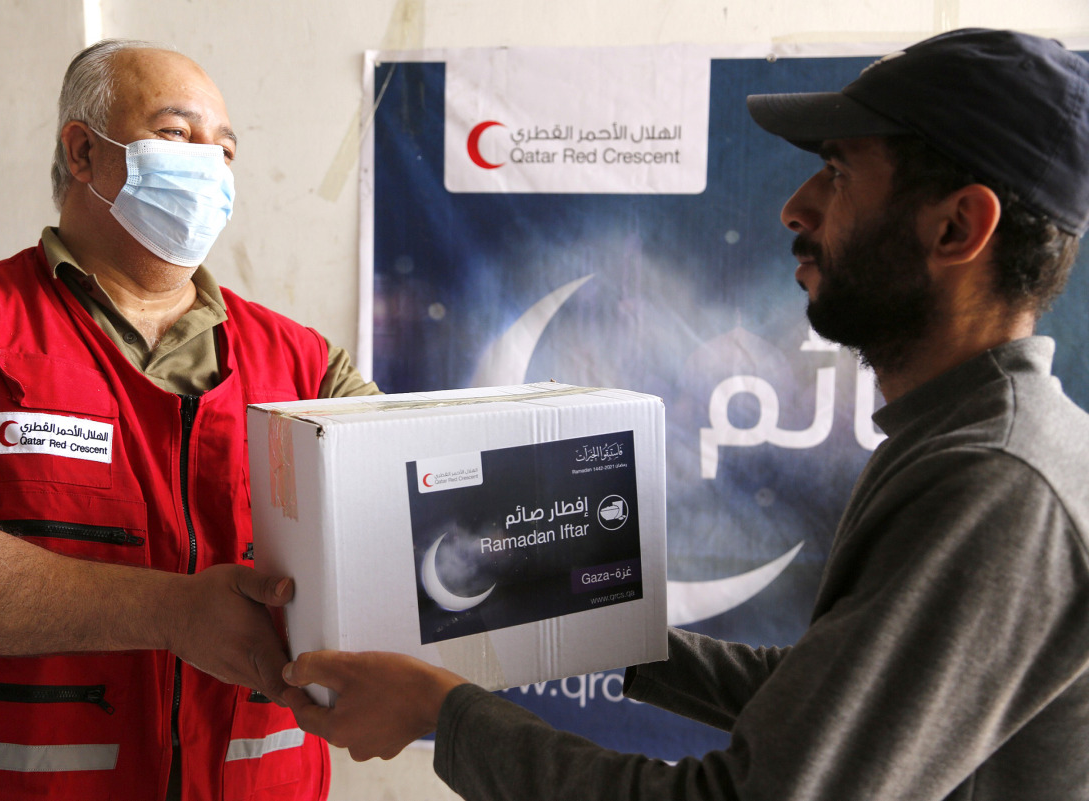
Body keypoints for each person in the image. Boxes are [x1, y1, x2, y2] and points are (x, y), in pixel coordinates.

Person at [279, 28, 1089, 800]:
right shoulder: (972, 444)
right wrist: (568, 622)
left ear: (957, 226)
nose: (796, 209)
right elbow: (822, 709)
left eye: (838, 174)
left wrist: (440, 712)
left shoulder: (995, 483)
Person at [0, 39, 378, 800]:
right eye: (177, 136)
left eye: (226, 150)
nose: (210, 167)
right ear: (83, 152)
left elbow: (411, 516)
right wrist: (173, 612)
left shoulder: (306, 365)